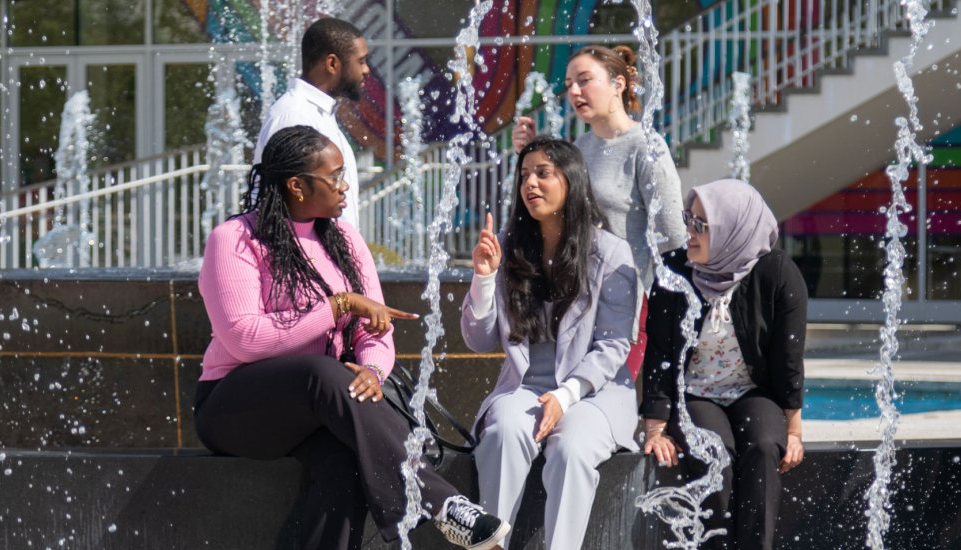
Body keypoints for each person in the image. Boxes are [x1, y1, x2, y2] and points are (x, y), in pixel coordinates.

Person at [194, 126, 508, 550]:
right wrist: (337, 306)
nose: (346, 187)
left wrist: (373, 372)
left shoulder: (344, 239)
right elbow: (244, 339)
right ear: (297, 186)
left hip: (325, 405)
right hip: (236, 408)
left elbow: (375, 329)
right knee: (321, 372)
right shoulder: (234, 239)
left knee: (346, 460)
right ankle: (440, 503)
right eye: (336, 176)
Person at [463, 137, 639, 549]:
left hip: (593, 394)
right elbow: (478, 340)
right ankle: (490, 546)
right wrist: (484, 279)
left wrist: (566, 394)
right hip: (524, 387)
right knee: (504, 428)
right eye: (525, 175)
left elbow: (614, 345)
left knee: (571, 448)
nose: (531, 184)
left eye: (543, 173)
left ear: (572, 181)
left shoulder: (612, 254)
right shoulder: (510, 248)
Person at [637, 178, 808, 550]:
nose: (690, 232)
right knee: (714, 451)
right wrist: (654, 428)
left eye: (702, 224)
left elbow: (789, 357)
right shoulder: (674, 272)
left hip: (752, 391)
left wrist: (792, 431)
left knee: (764, 446)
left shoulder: (777, 274)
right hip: (695, 393)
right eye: (689, 220)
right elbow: (660, 355)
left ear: (734, 229)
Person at [511, 45, 688, 374]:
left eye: (585, 80)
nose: (574, 91)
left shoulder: (645, 146)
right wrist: (532, 156)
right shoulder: (578, 149)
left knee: (605, 402)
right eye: (569, 84)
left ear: (618, 84)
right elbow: (553, 218)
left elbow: (673, 237)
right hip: (574, 300)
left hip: (624, 304)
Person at [255, 17, 371, 225]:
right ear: (332, 63)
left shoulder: (319, 113)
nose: (366, 70)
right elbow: (282, 208)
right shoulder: (294, 115)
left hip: (328, 253)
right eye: (361, 61)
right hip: (307, 255)